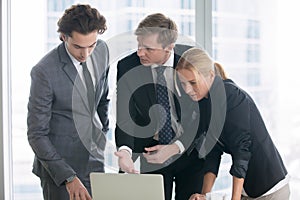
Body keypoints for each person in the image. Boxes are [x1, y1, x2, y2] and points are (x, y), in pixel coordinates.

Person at [175, 47, 290, 200]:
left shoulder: (232, 97)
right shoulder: (203, 103)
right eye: (183, 84)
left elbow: (242, 152)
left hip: (270, 187)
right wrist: (203, 196)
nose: (188, 90)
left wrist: (235, 198)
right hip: (247, 189)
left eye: (193, 83)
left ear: (210, 76)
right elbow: (212, 153)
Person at [114, 13, 204, 200]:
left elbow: (203, 114)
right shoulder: (128, 66)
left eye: (148, 48)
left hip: (187, 150)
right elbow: (125, 115)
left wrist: (177, 147)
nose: (140, 53)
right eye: (139, 45)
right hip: (149, 152)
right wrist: (124, 151)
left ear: (169, 47)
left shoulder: (190, 60)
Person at [27, 4, 110, 200]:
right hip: (59, 170)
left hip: (94, 162)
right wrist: (68, 177)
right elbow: (36, 134)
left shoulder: (102, 50)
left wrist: (102, 134)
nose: (86, 54)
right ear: (64, 37)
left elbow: (102, 100)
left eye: (91, 45)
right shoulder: (44, 72)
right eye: (78, 47)